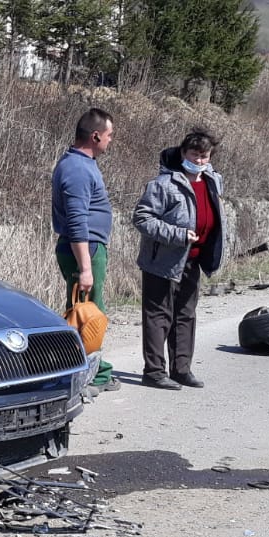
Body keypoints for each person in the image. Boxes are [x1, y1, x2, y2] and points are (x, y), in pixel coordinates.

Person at [132, 131, 227, 389]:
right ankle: (154, 372)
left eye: (204, 156)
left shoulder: (212, 182)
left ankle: (181, 370)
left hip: (194, 259)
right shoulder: (162, 184)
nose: (199, 161)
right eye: (194, 155)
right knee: (158, 316)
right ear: (183, 153)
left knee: (186, 315)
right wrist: (178, 234)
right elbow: (142, 218)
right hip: (161, 262)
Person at [51, 107, 118, 395]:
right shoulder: (77, 169)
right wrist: (86, 268)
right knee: (88, 317)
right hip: (84, 250)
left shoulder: (81, 163)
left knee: (88, 312)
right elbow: (77, 222)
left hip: (88, 248)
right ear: (95, 136)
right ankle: (88, 377)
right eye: (109, 135)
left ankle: (93, 370)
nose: (111, 140)